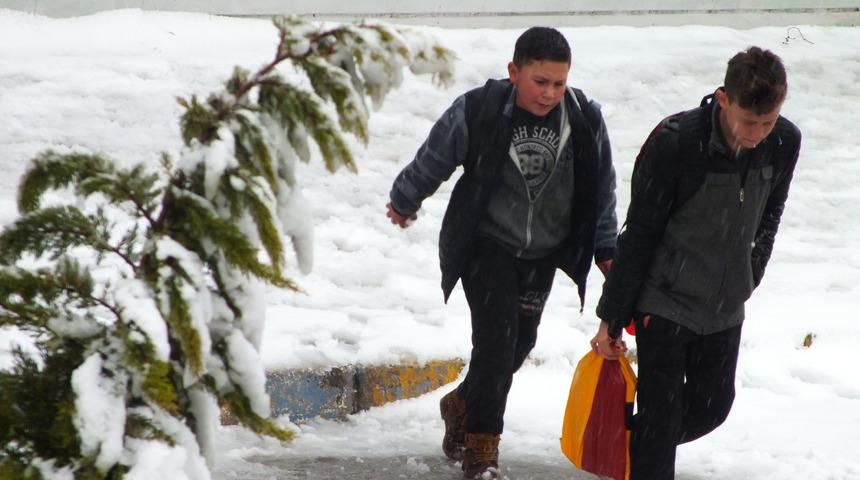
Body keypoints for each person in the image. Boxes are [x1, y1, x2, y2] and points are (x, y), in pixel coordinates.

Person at [386, 26, 618, 480]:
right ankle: (483, 452)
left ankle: (462, 402)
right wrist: (405, 198)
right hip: (485, 243)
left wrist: (606, 246)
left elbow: (602, 187)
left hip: (543, 250)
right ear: (514, 72)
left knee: (518, 344)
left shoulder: (584, 119)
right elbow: (435, 155)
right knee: (495, 341)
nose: (549, 93)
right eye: (539, 81)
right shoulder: (481, 109)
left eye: (558, 83)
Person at [591, 46, 801, 479]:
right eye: (749, 121)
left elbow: (771, 212)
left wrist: (750, 273)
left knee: (711, 409)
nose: (758, 133)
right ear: (723, 99)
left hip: (724, 306)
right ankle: (648, 449)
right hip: (665, 301)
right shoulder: (677, 144)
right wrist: (612, 317)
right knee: (662, 416)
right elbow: (640, 232)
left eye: (767, 121)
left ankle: (632, 441)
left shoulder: (784, 142)